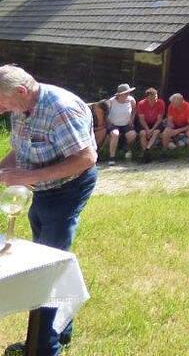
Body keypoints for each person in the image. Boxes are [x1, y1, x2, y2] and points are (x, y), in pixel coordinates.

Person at [0, 64, 98, 356]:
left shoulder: (60, 109)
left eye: (1, 102)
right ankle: (60, 331)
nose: (0, 109)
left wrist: (28, 176)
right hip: (42, 190)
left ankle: (44, 347)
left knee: (47, 267)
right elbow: (22, 149)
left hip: (68, 189)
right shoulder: (21, 106)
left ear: (21, 91)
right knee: (43, 258)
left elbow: (86, 158)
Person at [102, 83, 137, 165]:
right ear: (120, 94)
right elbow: (105, 114)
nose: (128, 95)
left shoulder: (131, 100)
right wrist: (108, 122)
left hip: (126, 124)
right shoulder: (111, 102)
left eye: (128, 93)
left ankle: (124, 146)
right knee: (115, 134)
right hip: (113, 124)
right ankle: (112, 157)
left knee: (132, 135)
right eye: (126, 93)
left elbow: (134, 110)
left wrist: (132, 120)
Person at [161, 93, 189, 163]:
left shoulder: (188, 107)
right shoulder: (171, 106)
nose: (172, 104)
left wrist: (178, 131)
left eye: (174, 102)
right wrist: (171, 128)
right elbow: (170, 120)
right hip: (176, 124)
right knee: (166, 131)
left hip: (187, 125)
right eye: (172, 102)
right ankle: (164, 152)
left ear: (180, 101)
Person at [136, 87, 165, 159]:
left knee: (156, 132)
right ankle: (145, 153)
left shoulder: (161, 103)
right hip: (145, 122)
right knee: (142, 133)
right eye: (152, 98)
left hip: (155, 122)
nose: (154, 100)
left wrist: (151, 130)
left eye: (155, 97)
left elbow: (159, 119)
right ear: (147, 98)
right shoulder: (141, 104)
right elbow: (142, 119)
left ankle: (147, 149)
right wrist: (147, 129)